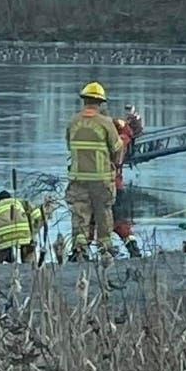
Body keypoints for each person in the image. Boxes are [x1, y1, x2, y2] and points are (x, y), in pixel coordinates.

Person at [66, 81, 124, 261]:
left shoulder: (73, 122)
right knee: (104, 214)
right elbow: (117, 149)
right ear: (100, 102)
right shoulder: (106, 123)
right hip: (102, 180)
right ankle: (105, 250)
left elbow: (69, 146)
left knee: (79, 213)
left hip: (78, 179)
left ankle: (79, 248)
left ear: (84, 101)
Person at [89, 118, 142, 257]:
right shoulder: (124, 140)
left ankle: (83, 252)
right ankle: (133, 250)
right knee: (121, 223)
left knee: (92, 222)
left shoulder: (105, 143)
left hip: (99, 187)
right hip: (115, 187)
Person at [0, 190, 46, 264]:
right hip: (23, 232)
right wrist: (33, 231)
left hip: (3, 237)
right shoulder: (20, 202)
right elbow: (38, 215)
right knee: (26, 243)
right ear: (10, 197)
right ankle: (28, 263)